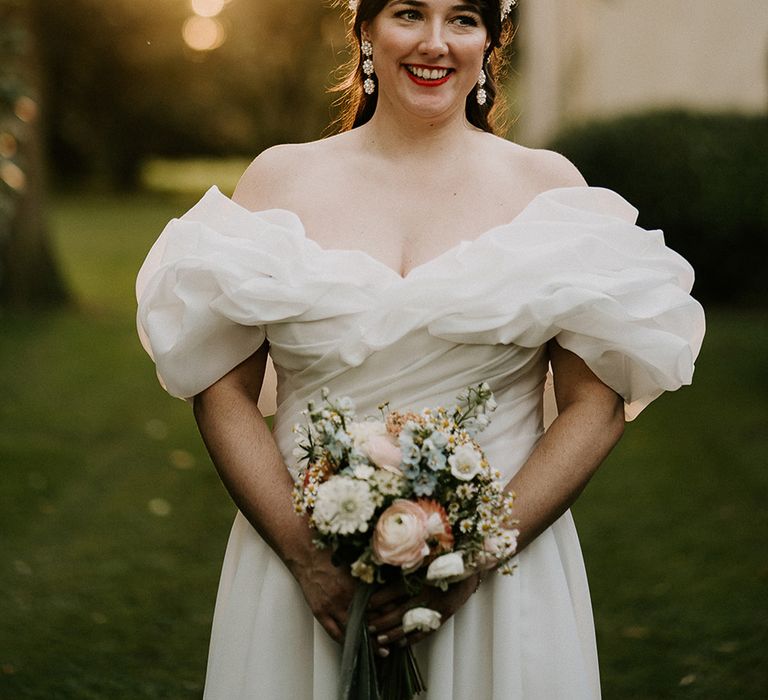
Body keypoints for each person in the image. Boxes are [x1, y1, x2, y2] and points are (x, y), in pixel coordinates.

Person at [135, 1, 705, 697]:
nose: (435, 42)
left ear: (491, 42)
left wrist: (474, 560)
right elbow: (221, 390)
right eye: (409, 12)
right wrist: (310, 561)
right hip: (299, 568)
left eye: (463, 18)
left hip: (501, 580)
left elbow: (596, 407)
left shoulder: (548, 191)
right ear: (365, 29)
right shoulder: (282, 181)